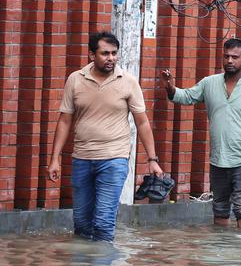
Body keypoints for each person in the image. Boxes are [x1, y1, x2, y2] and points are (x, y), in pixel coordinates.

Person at [47, 31, 164, 242]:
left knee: (102, 221)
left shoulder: (127, 81)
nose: (111, 58)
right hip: (82, 158)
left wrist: (152, 160)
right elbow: (64, 121)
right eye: (105, 53)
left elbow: (142, 122)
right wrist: (54, 159)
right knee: (81, 222)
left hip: (114, 159)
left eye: (114, 53)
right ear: (92, 55)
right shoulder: (75, 79)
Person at [161, 39, 241, 229]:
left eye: (235, 57)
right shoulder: (209, 83)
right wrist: (170, 88)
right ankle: (220, 253)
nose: (229, 60)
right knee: (219, 209)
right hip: (217, 160)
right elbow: (186, 97)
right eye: (226, 56)